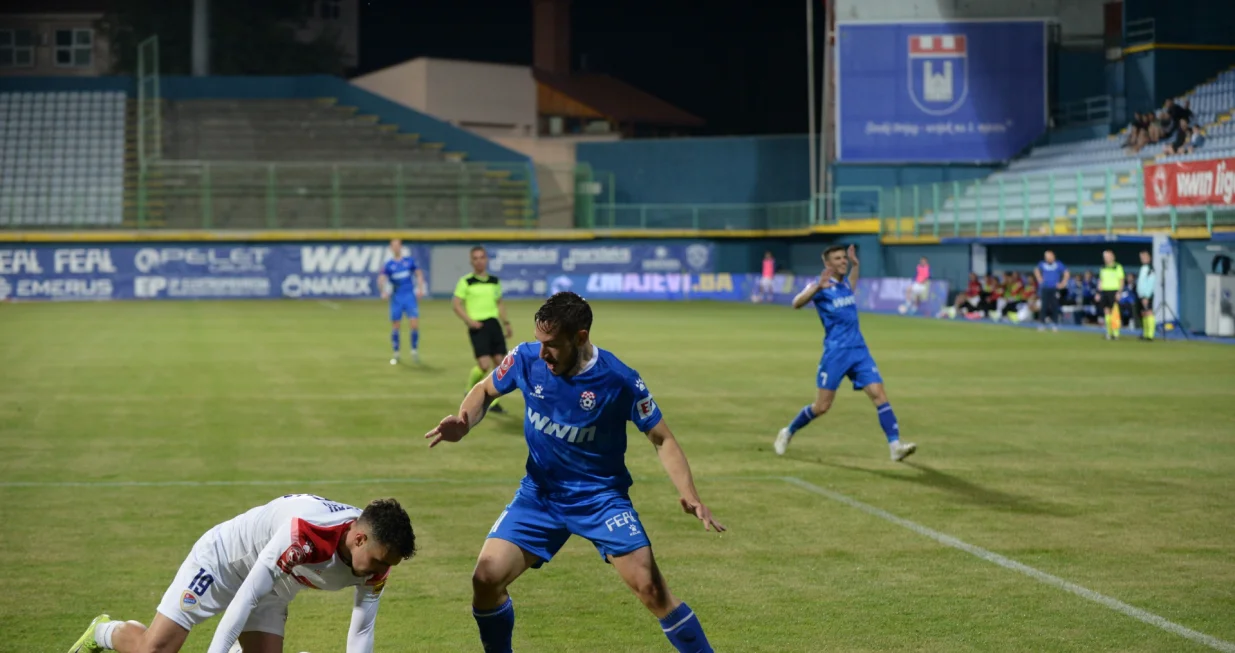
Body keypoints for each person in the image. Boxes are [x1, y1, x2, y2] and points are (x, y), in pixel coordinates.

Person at [424, 291, 723, 653]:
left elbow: (661, 438)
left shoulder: (618, 379)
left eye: (552, 345)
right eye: (539, 342)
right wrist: (464, 421)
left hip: (600, 500)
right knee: (485, 579)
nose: (543, 352)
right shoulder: (525, 359)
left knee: (652, 590)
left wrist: (690, 493)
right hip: (539, 496)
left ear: (580, 337)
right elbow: (485, 390)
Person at [67, 496, 416, 653]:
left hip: (276, 583)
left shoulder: (375, 560)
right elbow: (244, 596)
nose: (382, 572)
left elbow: (362, 631)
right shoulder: (304, 532)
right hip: (223, 562)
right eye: (380, 561)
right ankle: (102, 632)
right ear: (358, 538)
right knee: (154, 650)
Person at [774, 245, 917, 462]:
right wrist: (816, 288)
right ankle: (788, 431)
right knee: (822, 407)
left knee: (879, 395)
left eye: (844, 258)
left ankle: (895, 446)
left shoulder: (845, 285)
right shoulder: (820, 285)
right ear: (828, 264)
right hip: (836, 353)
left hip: (859, 351)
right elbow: (796, 303)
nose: (843, 261)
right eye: (838, 259)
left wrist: (856, 265)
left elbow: (853, 283)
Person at [454, 246, 513, 413]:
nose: (479, 261)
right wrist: (469, 321)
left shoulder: (494, 281)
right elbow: (456, 304)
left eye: (482, 257)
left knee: (501, 365)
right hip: (478, 325)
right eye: (476, 258)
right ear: (471, 262)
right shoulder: (466, 281)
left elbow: (499, 303)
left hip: (494, 324)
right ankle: (468, 389)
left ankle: (492, 403)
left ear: (486, 259)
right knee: (483, 365)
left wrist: (506, 323)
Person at [378, 238, 426, 365]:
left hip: (409, 296)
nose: (396, 248)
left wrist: (420, 289)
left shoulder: (408, 261)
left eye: (398, 245)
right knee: (396, 326)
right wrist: (382, 291)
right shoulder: (388, 265)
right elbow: (381, 278)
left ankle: (414, 351)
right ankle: (396, 353)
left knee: (414, 324)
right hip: (397, 298)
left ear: (401, 247)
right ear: (391, 248)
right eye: (393, 246)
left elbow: (419, 274)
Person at [1034, 250, 1070, 331]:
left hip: (1054, 288)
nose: (1047, 258)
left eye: (1048, 256)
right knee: (1044, 306)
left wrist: (1063, 283)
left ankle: (1055, 324)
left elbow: (1066, 273)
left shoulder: (1058, 264)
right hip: (1045, 288)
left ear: (1053, 256)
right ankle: (1042, 324)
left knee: (1055, 306)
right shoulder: (1042, 264)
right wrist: (1040, 279)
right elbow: (1036, 270)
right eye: (1046, 257)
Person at [1098, 250, 1125, 340]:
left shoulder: (1118, 267)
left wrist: (1119, 292)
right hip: (1105, 291)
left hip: (1114, 291)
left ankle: (1116, 333)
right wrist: (1098, 292)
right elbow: (1100, 280)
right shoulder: (1103, 267)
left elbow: (1121, 280)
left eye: (1108, 257)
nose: (1106, 259)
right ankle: (1109, 333)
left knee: (1115, 313)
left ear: (1113, 257)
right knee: (1106, 311)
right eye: (1105, 257)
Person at [1136, 250, 1157, 340]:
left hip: (1146, 295)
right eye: (1142, 257)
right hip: (1141, 295)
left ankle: (1150, 335)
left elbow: (1151, 283)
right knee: (1143, 313)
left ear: (1149, 258)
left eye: (1145, 257)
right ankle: (1145, 333)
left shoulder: (1150, 268)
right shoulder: (1143, 268)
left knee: (1149, 312)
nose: (1143, 259)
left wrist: (1146, 296)